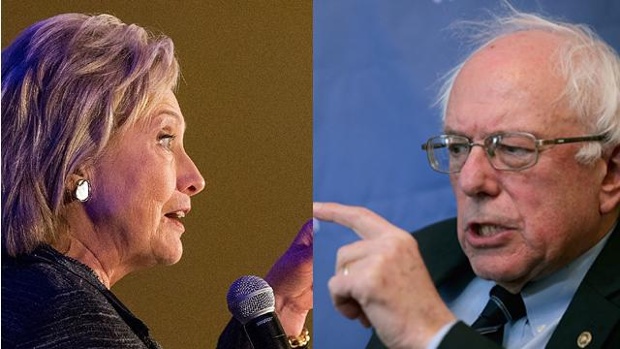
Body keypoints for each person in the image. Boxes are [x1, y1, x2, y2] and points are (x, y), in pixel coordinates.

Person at [313, 7, 620, 349]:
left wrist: (432, 333)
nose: (471, 180)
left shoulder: (420, 312)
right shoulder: (422, 260)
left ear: (610, 173)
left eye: (512, 149)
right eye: (458, 147)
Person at [1, 13, 312, 348]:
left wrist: (279, 310)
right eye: (165, 139)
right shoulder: (71, 319)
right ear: (78, 161)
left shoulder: (35, 299)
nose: (195, 179)